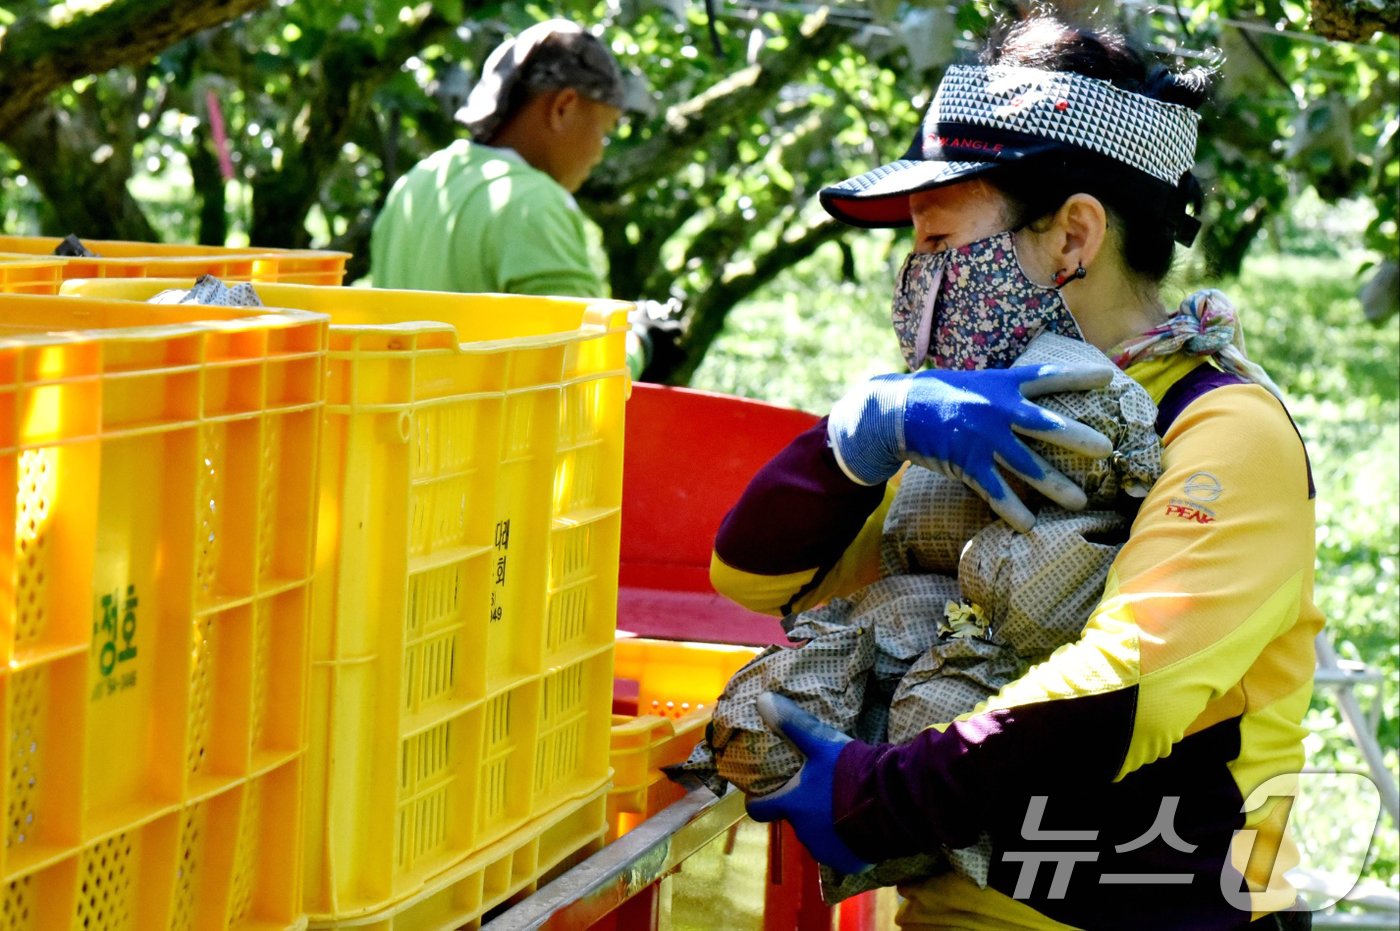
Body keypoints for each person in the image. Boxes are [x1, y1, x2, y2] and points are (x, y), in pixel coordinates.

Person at [712, 14, 1320, 931]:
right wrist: (868, 429)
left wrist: (872, 794)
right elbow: (758, 577)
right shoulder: (971, 421)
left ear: (1074, 235)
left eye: (939, 249)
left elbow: (1120, 691)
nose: (915, 288)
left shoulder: (1224, 430)